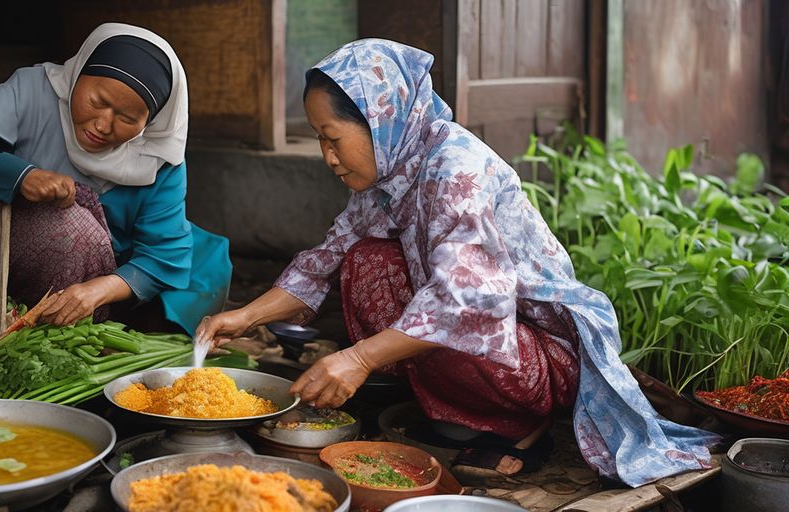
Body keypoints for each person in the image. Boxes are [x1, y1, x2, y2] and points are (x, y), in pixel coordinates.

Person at [196, 39, 717, 486]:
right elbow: (322, 262)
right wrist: (245, 317)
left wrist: (358, 359)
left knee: (441, 315)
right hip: (485, 341)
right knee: (361, 260)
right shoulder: (390, 171)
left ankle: (518, 425)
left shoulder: (455, 170)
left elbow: (468, 306)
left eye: (332, 138)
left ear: (380, 120)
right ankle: (454, 410)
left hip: (540, 359)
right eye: (319, 139)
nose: (327, 156)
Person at [0, 23, 230, 334]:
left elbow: (164, 255)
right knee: (71, 230)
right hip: (0, 250)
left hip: (105, 276)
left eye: (127, 118)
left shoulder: (159, 154)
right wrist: (20, 175)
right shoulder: (34, 92)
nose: (104, 125)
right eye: (97, 102)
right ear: (77, 74)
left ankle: (111, 321)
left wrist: (100, 289)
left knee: (203, 258)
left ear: (150, 121)